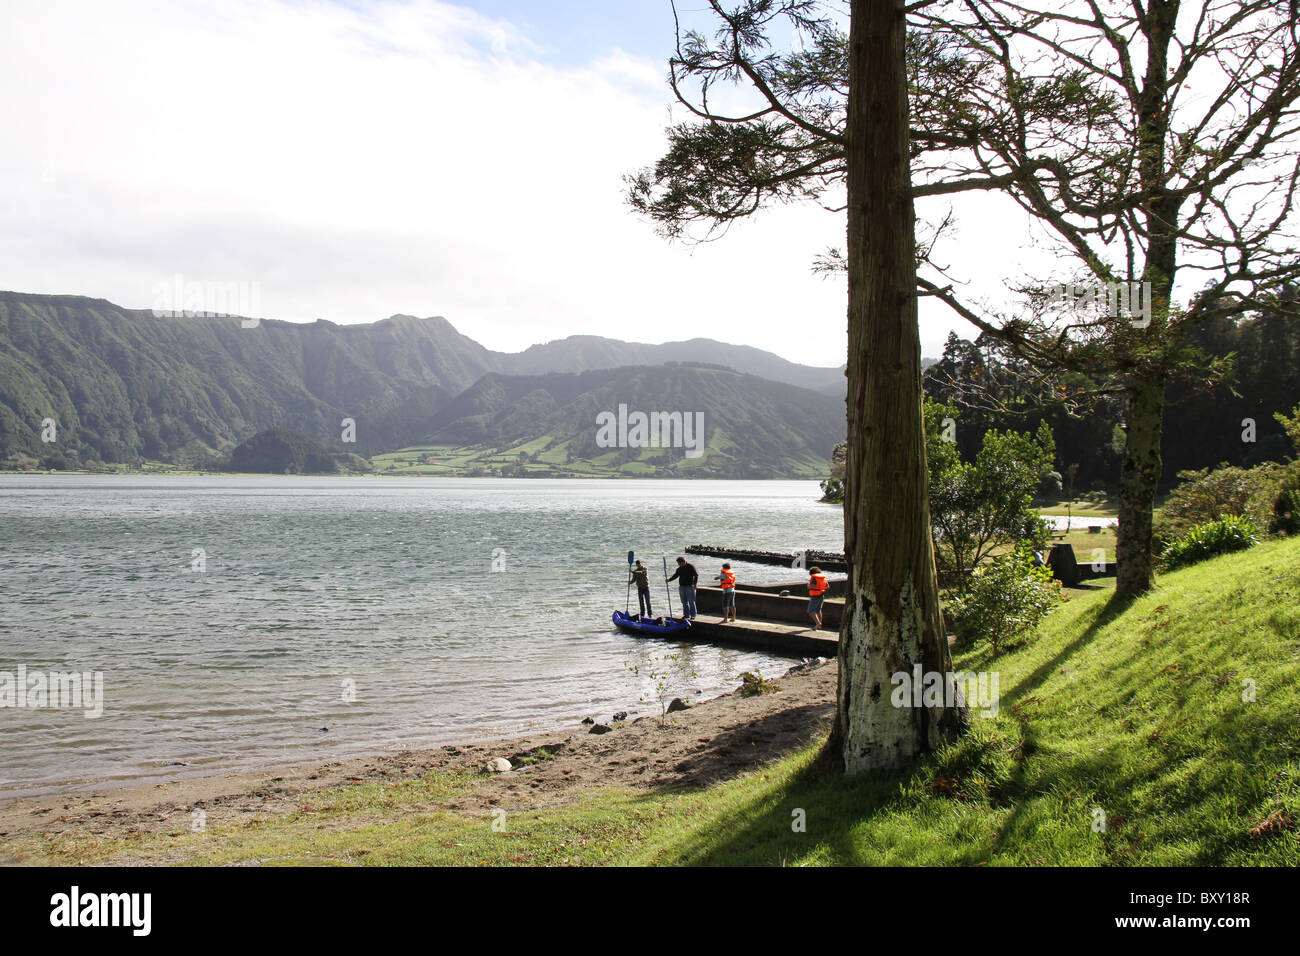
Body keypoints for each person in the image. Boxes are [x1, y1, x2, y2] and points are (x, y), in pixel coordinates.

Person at [807, 565, 829, 630]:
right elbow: (827, 586)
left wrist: (808, 586)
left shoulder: (814, 578)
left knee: (810, 611)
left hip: (815, 596)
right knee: (818, 610)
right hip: (821, 595)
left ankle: (818, 623)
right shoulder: (823, 578)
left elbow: (812, 586)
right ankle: (819, 625)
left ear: (812, 573)